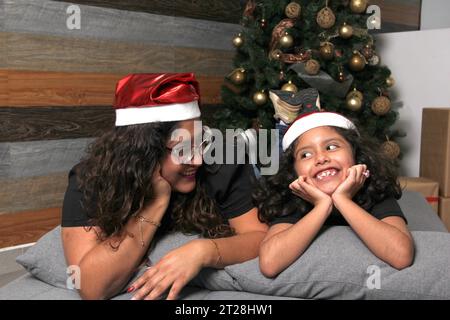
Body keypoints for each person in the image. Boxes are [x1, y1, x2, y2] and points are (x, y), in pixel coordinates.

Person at [61, 73, 268, 300]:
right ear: (142, 154)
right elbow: (91, 287)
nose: (197, 159)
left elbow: (259, 237)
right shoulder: (89, 178)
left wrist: (202, 251)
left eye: (201, 142)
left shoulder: (224, 164)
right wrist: (156, 202)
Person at [254, 99, 414, 278]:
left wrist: (342, 200)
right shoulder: (291, 198)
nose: (321, 158)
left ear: (356, 155)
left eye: (331, 147)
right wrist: (323, 205)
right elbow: (269, 263)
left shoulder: (375, 189)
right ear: (294, 170)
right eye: (305, 154)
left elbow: (401, 256)